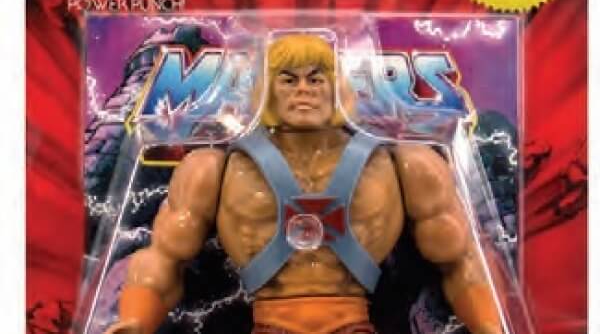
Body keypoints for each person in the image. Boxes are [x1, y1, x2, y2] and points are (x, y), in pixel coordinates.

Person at [105, 34, 502, 334]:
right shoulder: (212, 168)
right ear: (268, 90)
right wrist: (134, 322)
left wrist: (490, 325)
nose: (303, 91)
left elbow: (461, 259)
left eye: (316, 79)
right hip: (269, 322)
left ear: (337, 87)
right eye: (289, 80)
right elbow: (162, 258)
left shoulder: (406, 164)